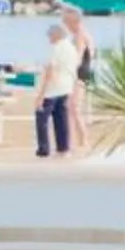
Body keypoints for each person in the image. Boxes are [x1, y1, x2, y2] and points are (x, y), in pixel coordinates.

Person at [35, 21, 80, 158]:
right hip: (66, 87)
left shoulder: (56, 48)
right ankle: (63, 148)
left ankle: (44, 148)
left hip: (53, 89)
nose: (49, 39)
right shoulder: (71, 48)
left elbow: (51, 70)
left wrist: (41, 94)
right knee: (61, 118)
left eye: (50, 36)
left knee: (41, 118)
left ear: (56, 35)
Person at [60, 5, 97, 147]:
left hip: (78, 74)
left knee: (73, 107)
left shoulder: (80, 35)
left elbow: (78, 57)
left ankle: (82, 140)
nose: (66, 26)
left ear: (73, 22)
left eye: (66, 23)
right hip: (83, 73)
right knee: (73, 107)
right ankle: (80, 139)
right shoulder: (85, 34)